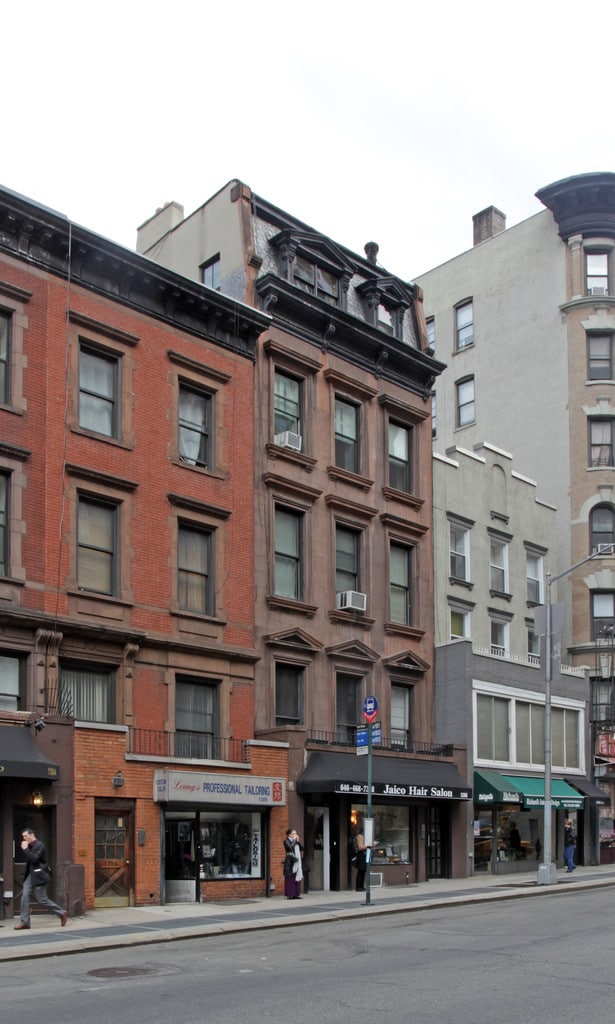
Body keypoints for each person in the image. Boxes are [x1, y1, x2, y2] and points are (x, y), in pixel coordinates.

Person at [15, 828, 67, 929]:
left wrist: (25, 849)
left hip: (39, 876)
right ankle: (25, 922)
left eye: (26, 836)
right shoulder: (29, 846)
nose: (24, 838)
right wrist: (26, 849)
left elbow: (35, 859)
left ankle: (61, 912)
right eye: (23, 836)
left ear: (32, 835)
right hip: (30, 875)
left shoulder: (40, 845)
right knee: (24, 897)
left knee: (42, 899)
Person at [283, 827, 304, 899]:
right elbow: (290, 848)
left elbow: (302, 848)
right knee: (290, 878)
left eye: (295, 833)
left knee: (296, 878)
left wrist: (298, 841)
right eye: (294, 833)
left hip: (297, 862)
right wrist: (295, 841)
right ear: (289, 835)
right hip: (290, 862)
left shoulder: (295, 841)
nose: (295, 835)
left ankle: (296, 894)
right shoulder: (286, 841)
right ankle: (290, 894)